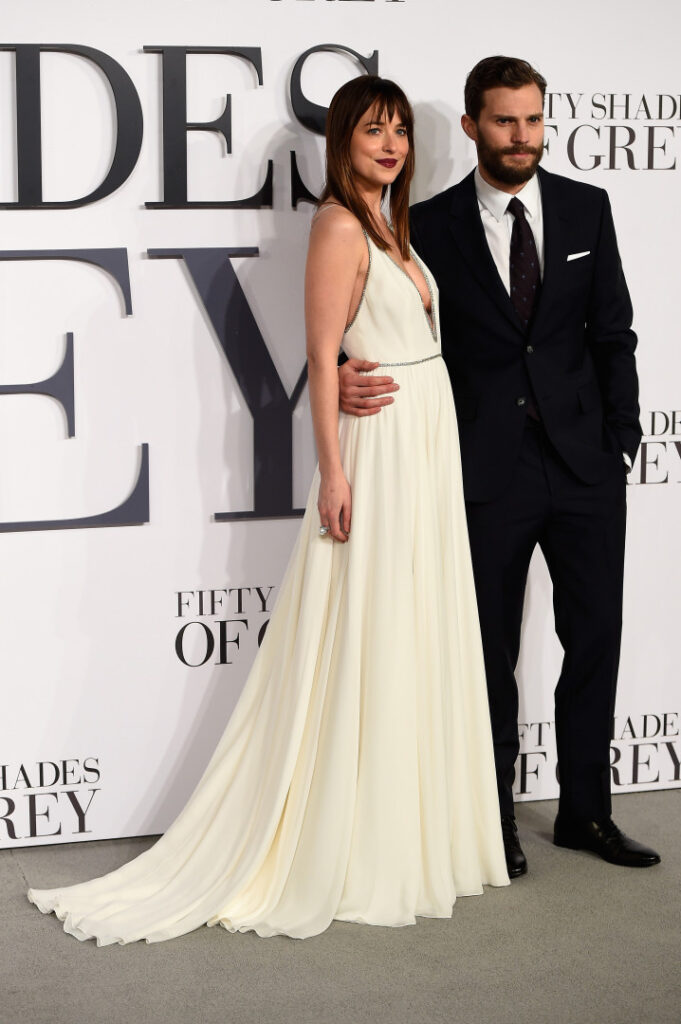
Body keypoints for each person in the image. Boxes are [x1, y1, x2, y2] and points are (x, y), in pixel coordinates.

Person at [26, 76, 509, 945]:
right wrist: (332, 473)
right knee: (369, 624)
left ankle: (410, 824)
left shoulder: (393, 226)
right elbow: (322, 359)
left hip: (426, 445)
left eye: (400, 130)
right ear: (342, 141)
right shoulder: (338, 225)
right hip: (380, 451)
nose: (391, 145)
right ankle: (356, 835)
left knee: (413, 621)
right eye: (373, 130)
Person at [340, 57, 661, 877]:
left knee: (594, 639)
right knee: (485, 654)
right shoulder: (425, 223)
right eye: (504, 120)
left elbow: (612, 334)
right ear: (472, 126)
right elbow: (376, 312)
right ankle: (493, 820)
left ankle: (586, 813)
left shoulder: (587, 207)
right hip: (482, 469)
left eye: (533, 119)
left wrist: (620, 440)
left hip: (585, 465)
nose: (522, 136)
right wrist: (341, 368)